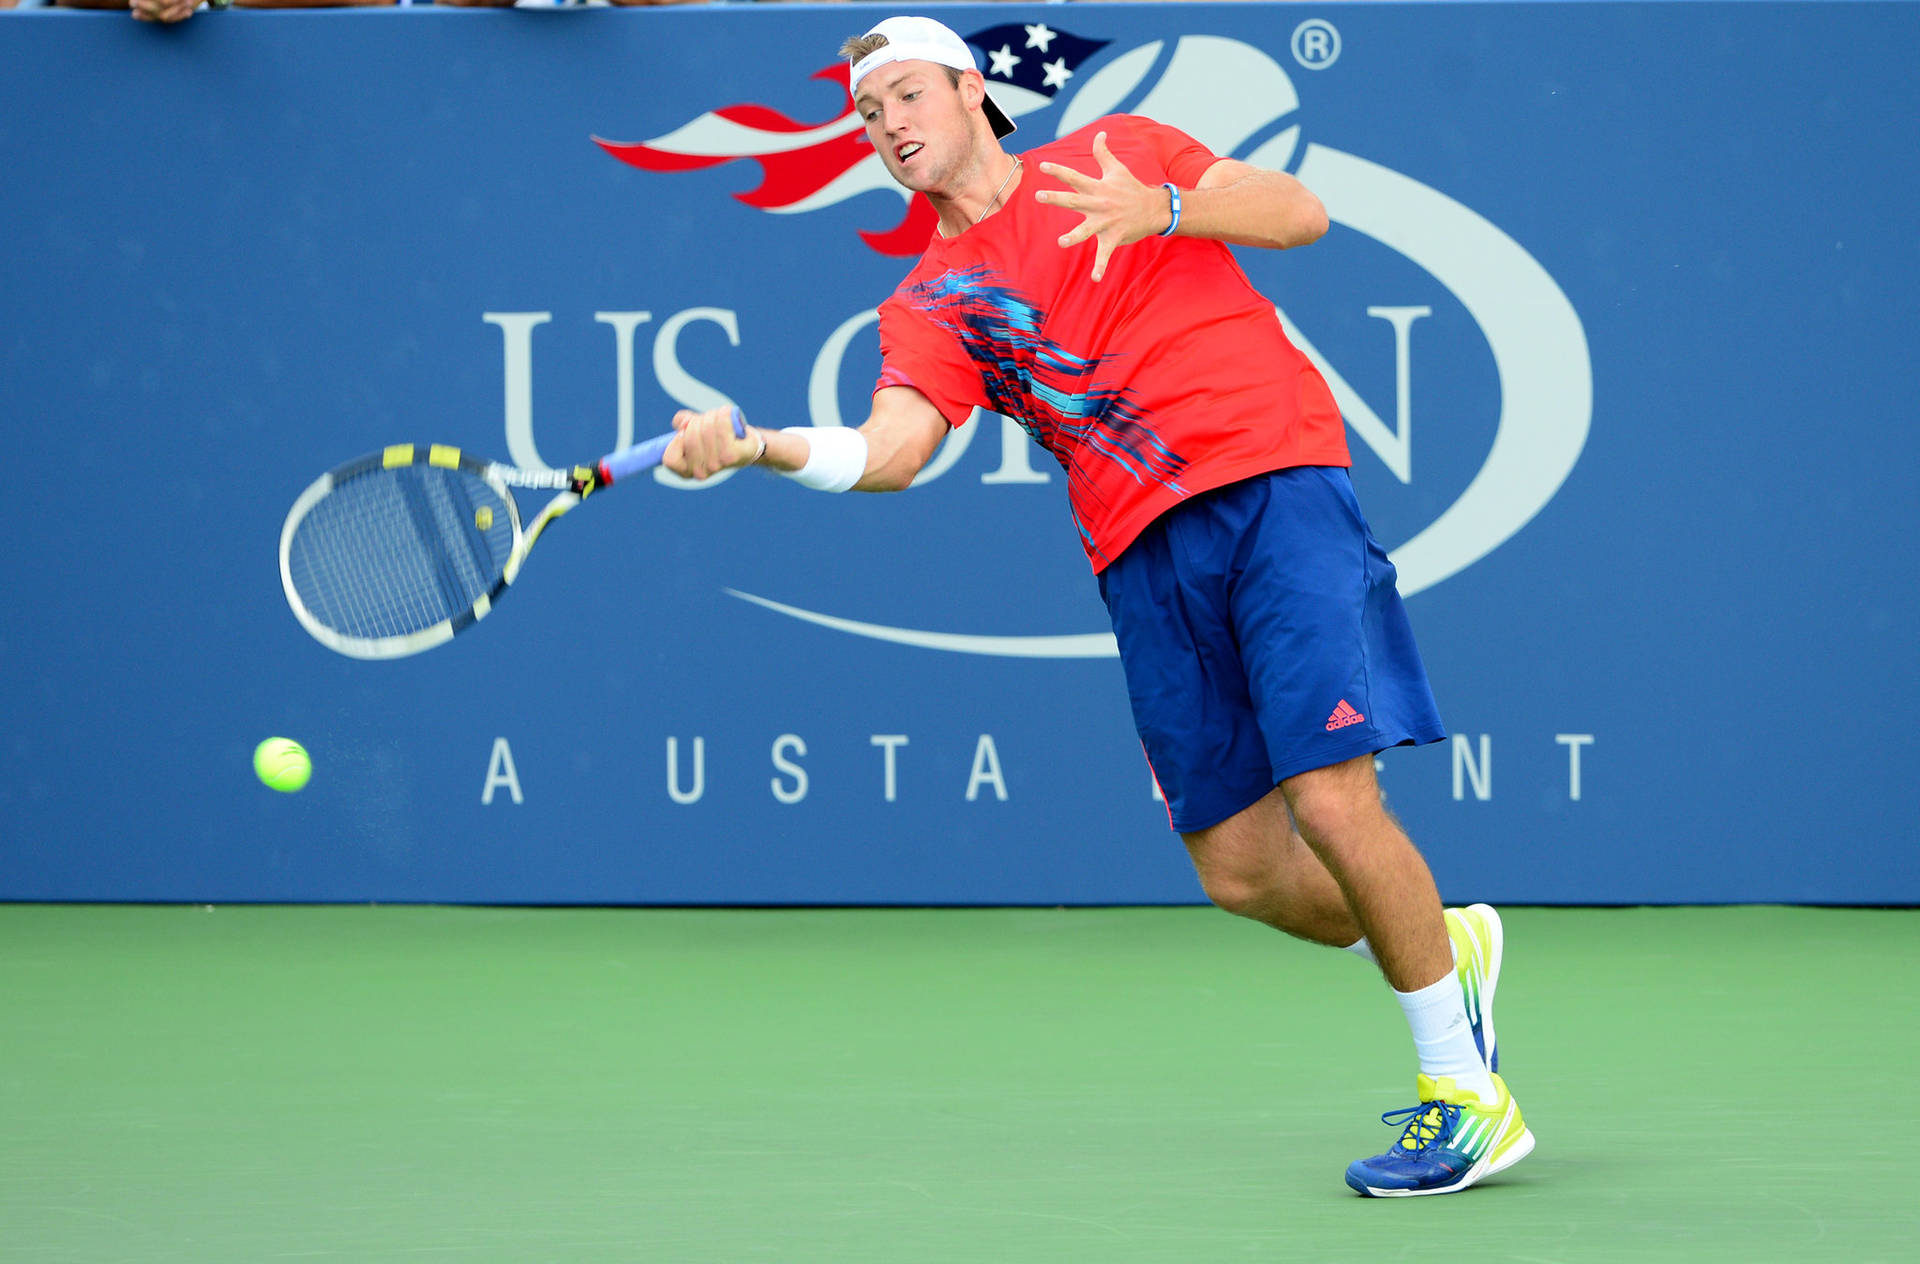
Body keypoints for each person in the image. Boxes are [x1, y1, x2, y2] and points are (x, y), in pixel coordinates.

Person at [660, 14, 1535, 1197]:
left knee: (1331, 797)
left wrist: (1164, 211)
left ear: (973, 92)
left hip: (1271, 482)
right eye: (869, 115)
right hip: (1138, 556)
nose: (889, 127)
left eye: (908, 96)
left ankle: (1466, 1097)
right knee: (1240, 868)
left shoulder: (1112, 154)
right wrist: (760, 444)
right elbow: (893, 449)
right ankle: (1446, 945)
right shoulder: (930, 302)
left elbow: (1299, 216)